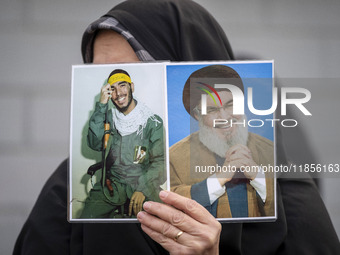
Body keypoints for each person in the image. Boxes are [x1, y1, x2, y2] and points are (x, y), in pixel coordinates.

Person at [13, 0, 339, 254]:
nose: (122, 91)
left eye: (141, 74)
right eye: (107, 77)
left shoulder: (290, 198)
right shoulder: (67, 193)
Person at [170, 64, 274, 218]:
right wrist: (218, 179)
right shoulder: (174, 158)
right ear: (198, 116)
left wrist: (258, 176)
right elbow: (169, 205)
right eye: (212, 110)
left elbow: (292, 205)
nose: (225, 117)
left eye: (231, 105)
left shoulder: (269, 150)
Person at [80, 69, 165, 218]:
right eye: (113, 89)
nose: (118, 93)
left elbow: (160, 161)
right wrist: (101, 105)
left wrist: (143, 190)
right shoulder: (109, 119)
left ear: (132, 87)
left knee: (162, 222)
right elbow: (95, 144)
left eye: (122, 85)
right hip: (112, 185)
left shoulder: (152, 121)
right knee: (86, 220)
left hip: (144, 183)